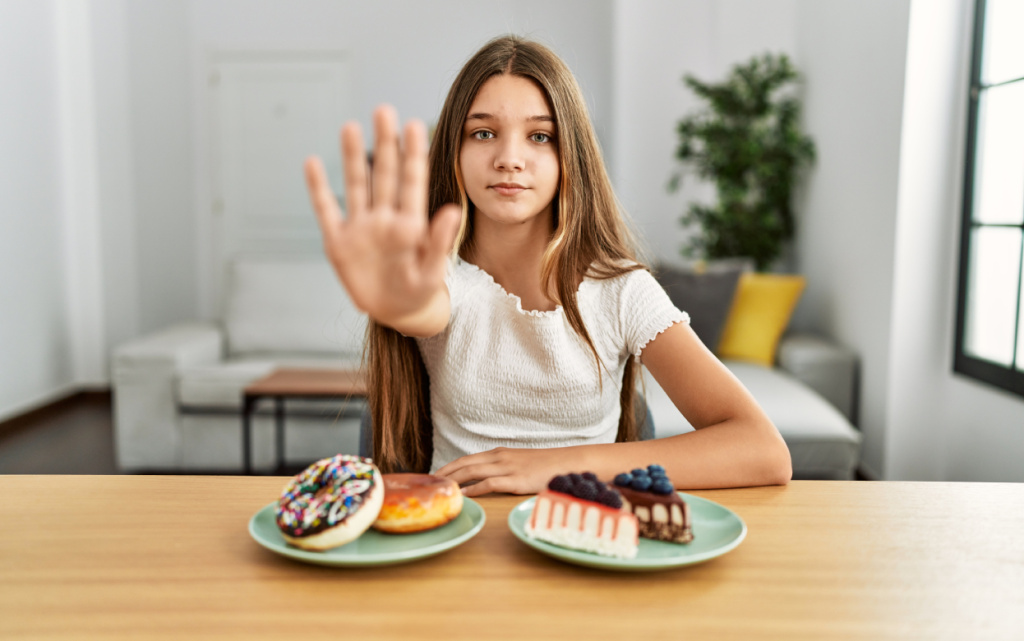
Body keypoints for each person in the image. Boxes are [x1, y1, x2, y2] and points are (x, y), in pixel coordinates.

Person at [303, 35, 791, 496]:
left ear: (569, 156)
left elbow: (763, 451)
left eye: (539, 136)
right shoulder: (446, 280)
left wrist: (557, 464)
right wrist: (399, 302)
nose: (509, 158)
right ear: (454, 149)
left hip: (582, 547)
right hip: (458, 545)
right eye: (484, 132)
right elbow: (425, 306)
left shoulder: (622, 290)